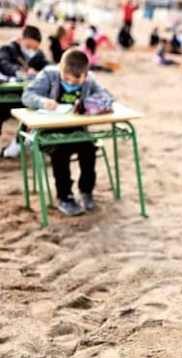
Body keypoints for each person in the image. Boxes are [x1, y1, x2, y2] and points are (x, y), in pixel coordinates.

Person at [21, 48, 114, 216]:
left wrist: (87, 104)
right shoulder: (49, 74)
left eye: (76, 81)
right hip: (48, 133)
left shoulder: (90, 80)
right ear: (60, 69)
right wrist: (43, 102)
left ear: (86, 74)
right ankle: (66, 197)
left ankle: (86, 191)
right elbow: (27, 95)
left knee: (89, 149)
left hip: (76, 130)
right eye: (66, 79)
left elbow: (107, 97)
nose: (70, 83)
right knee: (61, 153)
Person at [0, 25, 48, 158]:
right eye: (29, 46)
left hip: (26, 97)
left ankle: (17, 145)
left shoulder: (39, 56)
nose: (31, 50)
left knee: (33, 113)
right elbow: (3, 64)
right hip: (5, 95)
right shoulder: (8, 49)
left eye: (35, 48)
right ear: (21, 40)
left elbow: (48, 68)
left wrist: (39, 73)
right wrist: (20, 72)